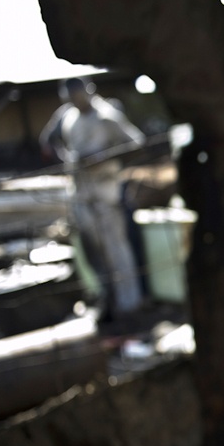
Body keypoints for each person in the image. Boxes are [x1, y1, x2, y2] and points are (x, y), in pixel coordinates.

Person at [40, 77, 146, 324]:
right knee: (93, 252)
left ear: (88, 92)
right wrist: (67, 159)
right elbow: (47, 140)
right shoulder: (66, 115)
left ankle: (130, 305)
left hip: (105, 192)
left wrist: (103, 158)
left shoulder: (107, 115)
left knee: (116, 249)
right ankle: (106, 302)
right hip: (80, 192)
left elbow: (136, 144)